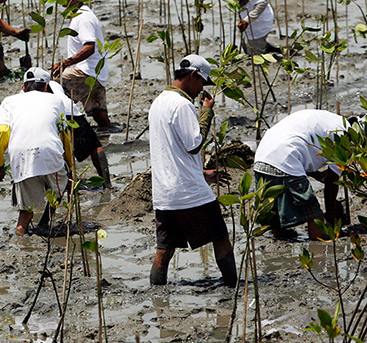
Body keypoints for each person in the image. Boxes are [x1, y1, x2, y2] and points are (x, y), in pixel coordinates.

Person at [148, 54, 236, 286]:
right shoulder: (182, 104)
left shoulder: (158, 102)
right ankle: (233, 287)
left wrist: (202, 174)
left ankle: (157, 297)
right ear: (193, 75)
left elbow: (171, 152)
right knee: (220, 236)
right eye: (201, 83)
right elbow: (193, 145)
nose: (200, 90)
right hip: (189, 194)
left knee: (164, 249)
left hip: (164, 194)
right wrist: (206, 112)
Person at [0, 67, 72, 236]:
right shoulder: (55, 100)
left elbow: (2, 133)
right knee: (60, 188)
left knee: (25, 211)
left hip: (20, 156)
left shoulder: (9, 101)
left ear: (23, 88)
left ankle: (21, 238)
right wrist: (70, 167)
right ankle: (45, 222)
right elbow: (64, 136)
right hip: (49, 151)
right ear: (46, 87)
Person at [253, 109, 347, 240]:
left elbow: (301, 144)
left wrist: (318, 175)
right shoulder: (346, 140)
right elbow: (331, 184)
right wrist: (331, 219)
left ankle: (279, 234)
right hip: (285, 158)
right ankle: (318, 243)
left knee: (274, 213)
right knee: (316, 217)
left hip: (261, 157)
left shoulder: (333, 121)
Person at [50, 0, 122, 133]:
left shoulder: (83, 17)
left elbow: (90, 47)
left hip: (86, 71)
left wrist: (65, 63)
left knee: (53, 89)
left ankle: (62, 129)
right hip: (96, 72)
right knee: (100, 116)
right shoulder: (80, 14)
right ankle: (106, 129)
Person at [48, 81, 112, 189]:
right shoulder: (53, 83)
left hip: (51, 115)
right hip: (71, 112)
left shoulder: (24, 93)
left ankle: (67, 182)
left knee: (57, 148)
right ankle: (107, 183)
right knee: (94, 144)